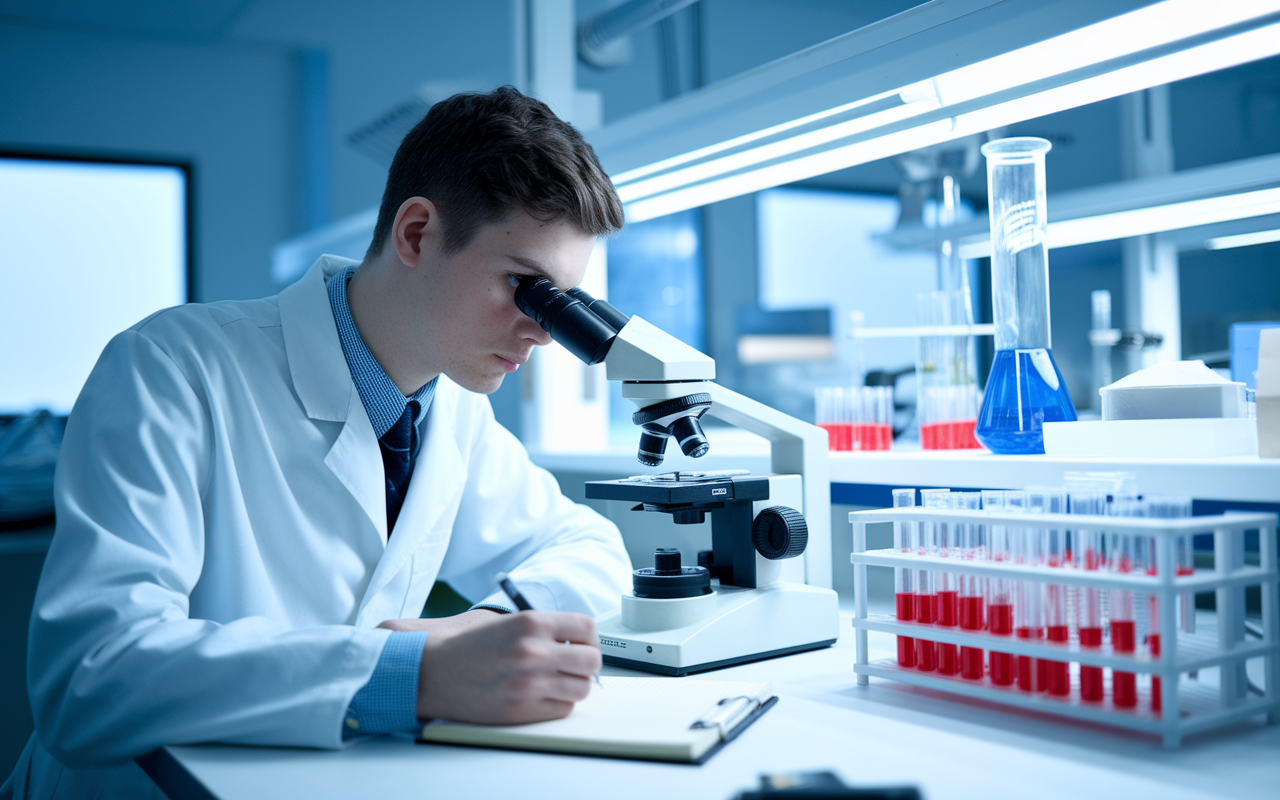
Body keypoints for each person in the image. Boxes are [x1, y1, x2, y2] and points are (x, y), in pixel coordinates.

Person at [2, 86, 633, 799]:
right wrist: (408, 675)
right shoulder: (172, 366)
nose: (545, 331)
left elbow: (591, 548)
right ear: (417, 233)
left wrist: (480, 630)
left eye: (563, 300)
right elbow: (90, 679)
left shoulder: (452, 409)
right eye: (526, 287)